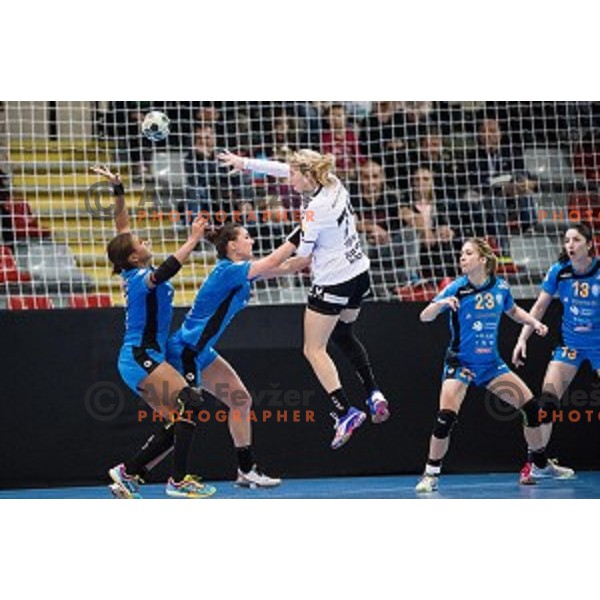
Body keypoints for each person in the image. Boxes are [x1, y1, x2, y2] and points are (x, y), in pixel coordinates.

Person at [218, 148, 391, 450]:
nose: (289, 178)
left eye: (294, 174)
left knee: (313, 348)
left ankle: (345, 411)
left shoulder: (314, 212)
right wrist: (244, 163)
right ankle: (374, 391)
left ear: (308, 174)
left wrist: (257, 271)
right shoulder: (333, 181)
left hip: (333, 282)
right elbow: (280, 170)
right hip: (359, 274)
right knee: (344, 333)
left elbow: (299, 261)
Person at [91, 165, 216, 500]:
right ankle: (177, 482)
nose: (145, 240)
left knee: (180, 419)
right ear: (134, 256)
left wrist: (117, 189)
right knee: (191, 399)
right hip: (139, 357)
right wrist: (192, 240)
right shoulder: (140, 278)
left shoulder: (130, 267)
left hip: (143, 358)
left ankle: (128, 473)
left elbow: (122, 229)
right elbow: (165, 271)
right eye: (141, 242)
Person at [167, 223, 303, 488]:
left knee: (240, 401)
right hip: (185, 351)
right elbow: (276, 259)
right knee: (184, 417)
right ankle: (143, 472)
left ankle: (245, 469)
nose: (252, 241)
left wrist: (320, 244)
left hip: (201, 352)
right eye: (247, 237)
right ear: (232, 246)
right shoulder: (228, 271)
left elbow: (288, 266)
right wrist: (302, 230)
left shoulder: (242, 273)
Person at [415, 238, 550, 493]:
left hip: (490, 364)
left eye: (468, 254)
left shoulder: (500, 287)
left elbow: (513, 311)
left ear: (483, 259)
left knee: (531, 407)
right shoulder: (456, 288)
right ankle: (431, 474)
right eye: (461, 254)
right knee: (445, 418)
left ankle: (537, 463)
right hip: (461, 363)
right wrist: (440, 303)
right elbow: (425, 316)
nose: (462, 258)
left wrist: (534, 323)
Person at [512, 225, 593, 484]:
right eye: (567, 240)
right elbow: (538, 307)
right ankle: (535, 463)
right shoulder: (559, 271)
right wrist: (522, 339)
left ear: (589, 244)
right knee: (545, 404)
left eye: (576, 240)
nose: (570, 245)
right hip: (569, 344)